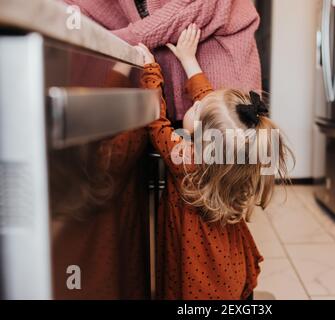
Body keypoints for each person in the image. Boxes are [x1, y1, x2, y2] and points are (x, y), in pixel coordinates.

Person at [135, 24, 292, 299]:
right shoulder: (231, 159)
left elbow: (157, 125)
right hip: (229, 272)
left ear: (204, 135)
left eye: (195, 109)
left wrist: (151, 72)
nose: (195, 104)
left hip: (199, 279)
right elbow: (212, 108)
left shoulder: (186, 160)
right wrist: (189, 60)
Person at [63, 0, 262, 121]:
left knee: (226, 151)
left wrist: (113, 41)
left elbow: (196, 7)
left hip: (219, 63)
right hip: (163, 75)